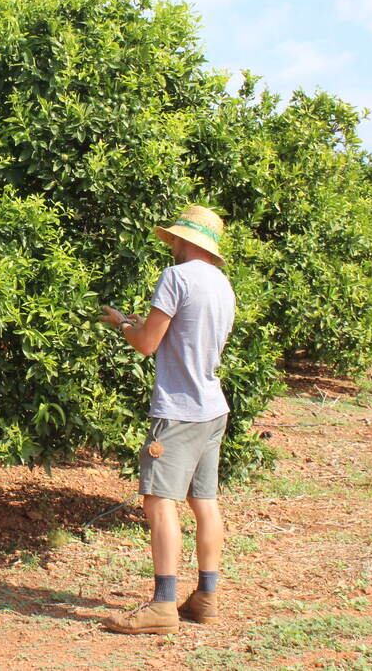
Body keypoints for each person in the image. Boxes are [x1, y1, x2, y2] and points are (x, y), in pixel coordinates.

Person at [98, 204, 236, 636]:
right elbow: (187, 337)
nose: (171, 244)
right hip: (212, 407)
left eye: (175, 238)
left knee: (159, 501)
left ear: (185, 241)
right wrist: (143, 326)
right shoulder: (222, 284)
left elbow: (146, 344)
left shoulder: (175, 277)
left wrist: (123, 325)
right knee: (204, 501)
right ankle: (206, 598)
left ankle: (162, 606)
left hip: (178, 410)